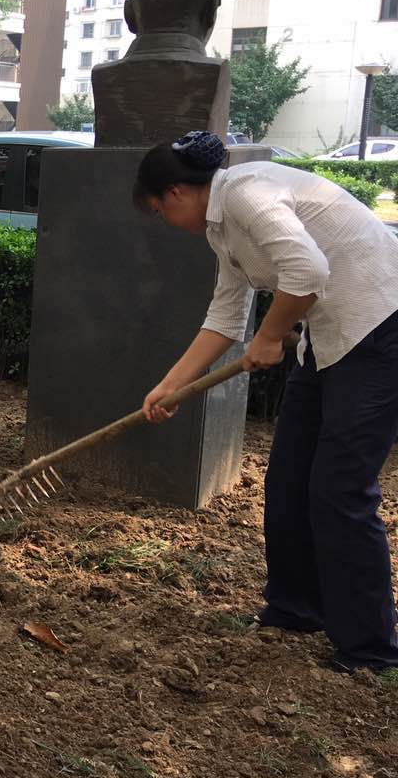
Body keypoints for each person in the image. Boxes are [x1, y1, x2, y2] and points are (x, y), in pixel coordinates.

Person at [135, 130, 398, 673]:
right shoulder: (221, 228)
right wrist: (171, 384)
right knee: (289, 478)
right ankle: (296, 608)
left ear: (177, 192)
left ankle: (370, 648)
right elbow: (226, 317)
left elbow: (309, 271)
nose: (166, 222)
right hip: (328, 338)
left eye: (160, 211)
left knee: (340, 488)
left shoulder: (246, 193)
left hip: (380, 329)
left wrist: (272, 334)